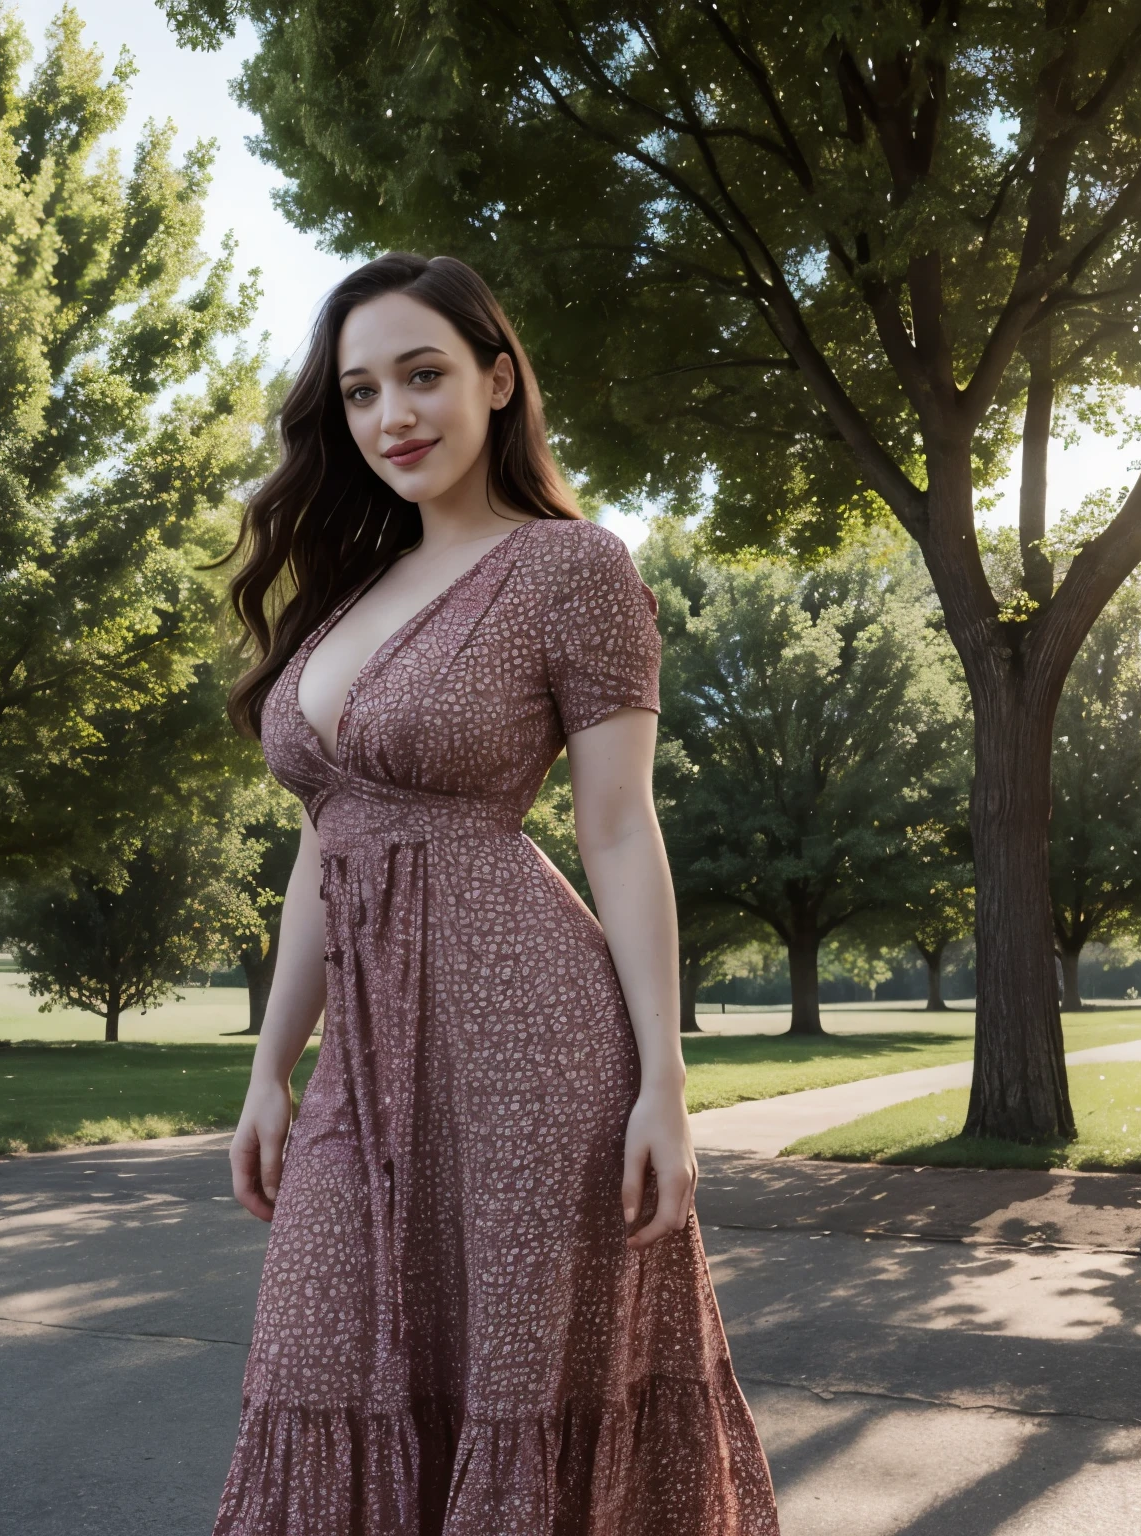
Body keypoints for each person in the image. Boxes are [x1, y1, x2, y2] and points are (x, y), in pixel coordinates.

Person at [212, 252, 779, 1534]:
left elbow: (620, 830)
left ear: (497, 379)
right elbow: (327, 845)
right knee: (317, 1364)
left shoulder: (573, 569)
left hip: (533, 1043)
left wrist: (664, 1083)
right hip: (364, 1058)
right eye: (359, 392)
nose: (391, 416)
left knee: (520, 1390)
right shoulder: (346, 598)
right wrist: (267, 1066)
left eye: (423, 375)